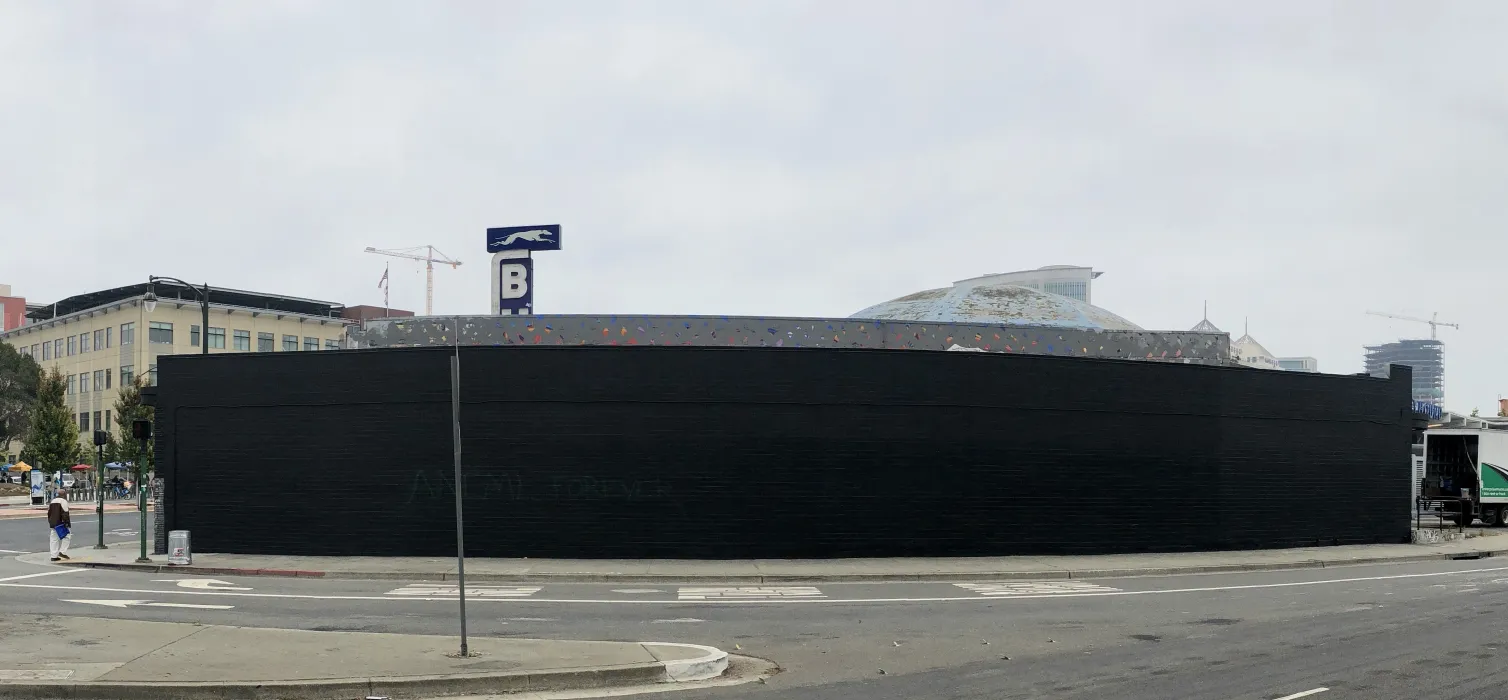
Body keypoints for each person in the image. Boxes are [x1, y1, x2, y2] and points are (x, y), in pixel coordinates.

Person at [47, 488, 72, 562]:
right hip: (61, 523)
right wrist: (67, 523)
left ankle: (53, 556)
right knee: (67, 536)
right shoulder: (63, 501)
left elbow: (49, 513)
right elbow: (65, 513)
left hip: (53, 523)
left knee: (54, 539)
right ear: (64, 495)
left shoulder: (52, 501)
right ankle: (62, 552)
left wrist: (50, 522)